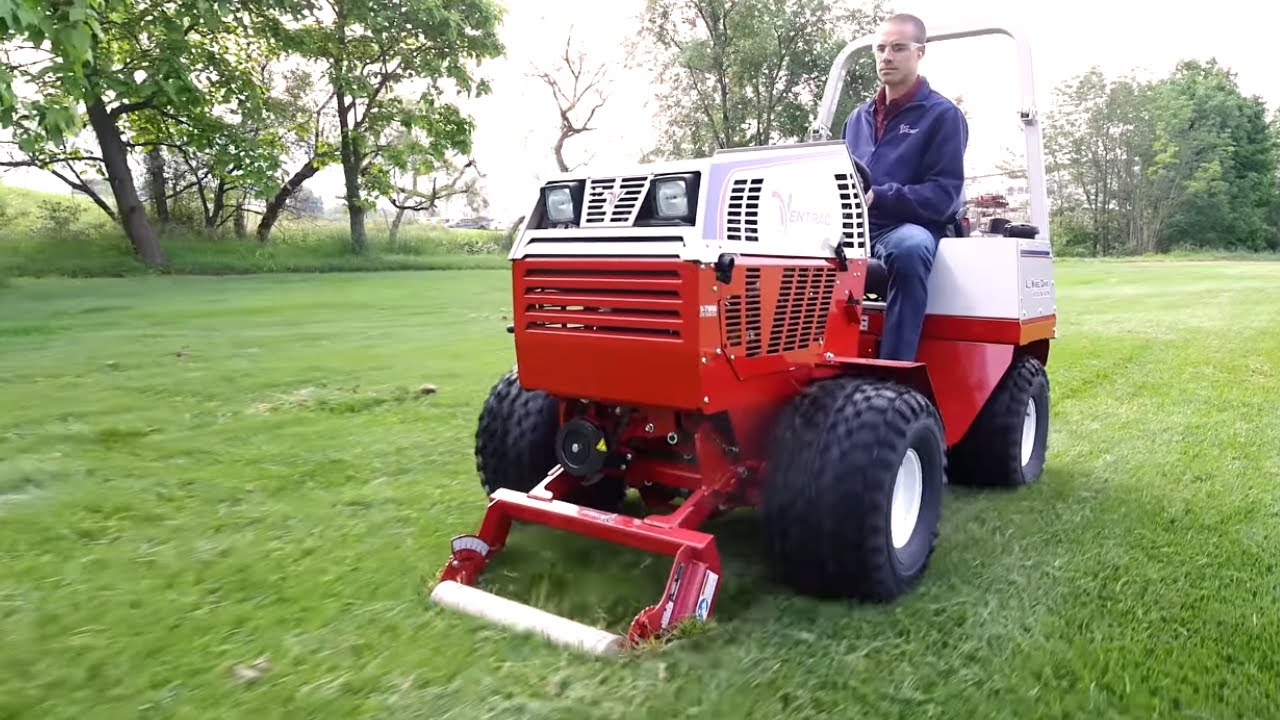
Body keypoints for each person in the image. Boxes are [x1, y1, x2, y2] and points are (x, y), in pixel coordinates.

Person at [842, 13, 968, 362]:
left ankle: (894, 369)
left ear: (919, 53)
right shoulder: (857, 118)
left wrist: (879, 195)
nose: (887, 56)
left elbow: (943, 197)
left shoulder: (942, 115)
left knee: (910, 248)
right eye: (880, 48)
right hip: (854, 228)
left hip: (906, 228)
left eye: (898, 48)